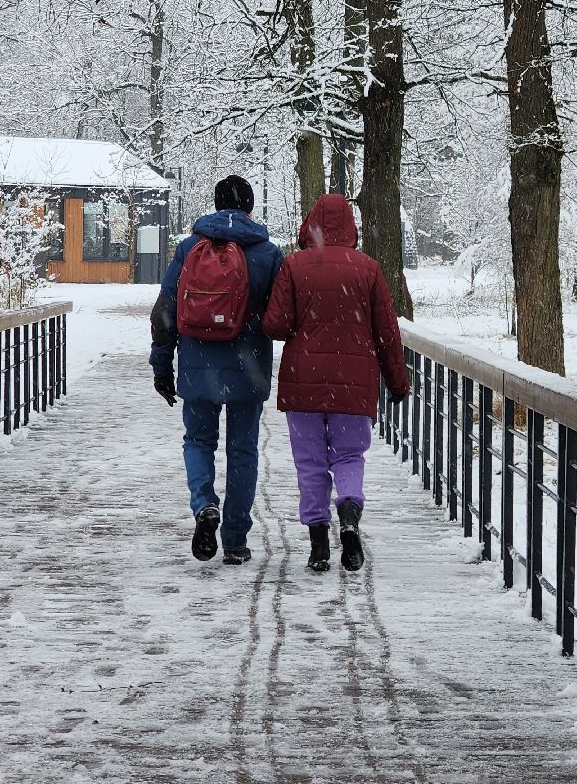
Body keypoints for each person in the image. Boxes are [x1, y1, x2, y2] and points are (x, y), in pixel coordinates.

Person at [262, 193, 410, 573]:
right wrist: (398, 382)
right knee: (348, 455)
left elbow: (275, 324)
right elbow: (387, 332)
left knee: (310, 463)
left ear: (310, 224)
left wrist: (302, 321)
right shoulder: (368, 268)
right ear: (351, 227)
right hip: (354, 383)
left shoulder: (295, 266)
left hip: (303, 382)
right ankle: (348, 512)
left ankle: (317, 545)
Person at [150, 175, 282, 566]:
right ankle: (236, 538)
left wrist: (162, 366)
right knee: (243, 451)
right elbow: (279, 319)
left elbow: (164, 314)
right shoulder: (268, 253)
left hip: (197, 363)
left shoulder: (190, 247)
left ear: (215, 203)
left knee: (198, 441)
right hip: (248, 369)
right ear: (250, 208)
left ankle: (204, 504)